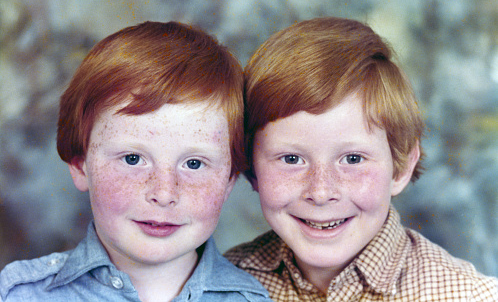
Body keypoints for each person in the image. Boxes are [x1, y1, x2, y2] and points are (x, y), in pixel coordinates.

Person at [225, 17, 498, 301]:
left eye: (353, 159)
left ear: (401, 167)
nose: (320, 192)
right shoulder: (220, 285)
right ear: (251, 169)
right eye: (292, 159)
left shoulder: (470, 295)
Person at [0, 21, 271, 302]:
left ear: (230, 180)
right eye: (133, 158)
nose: (164, 193)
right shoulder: (17, 294)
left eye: (193, 164)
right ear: (81, 165)